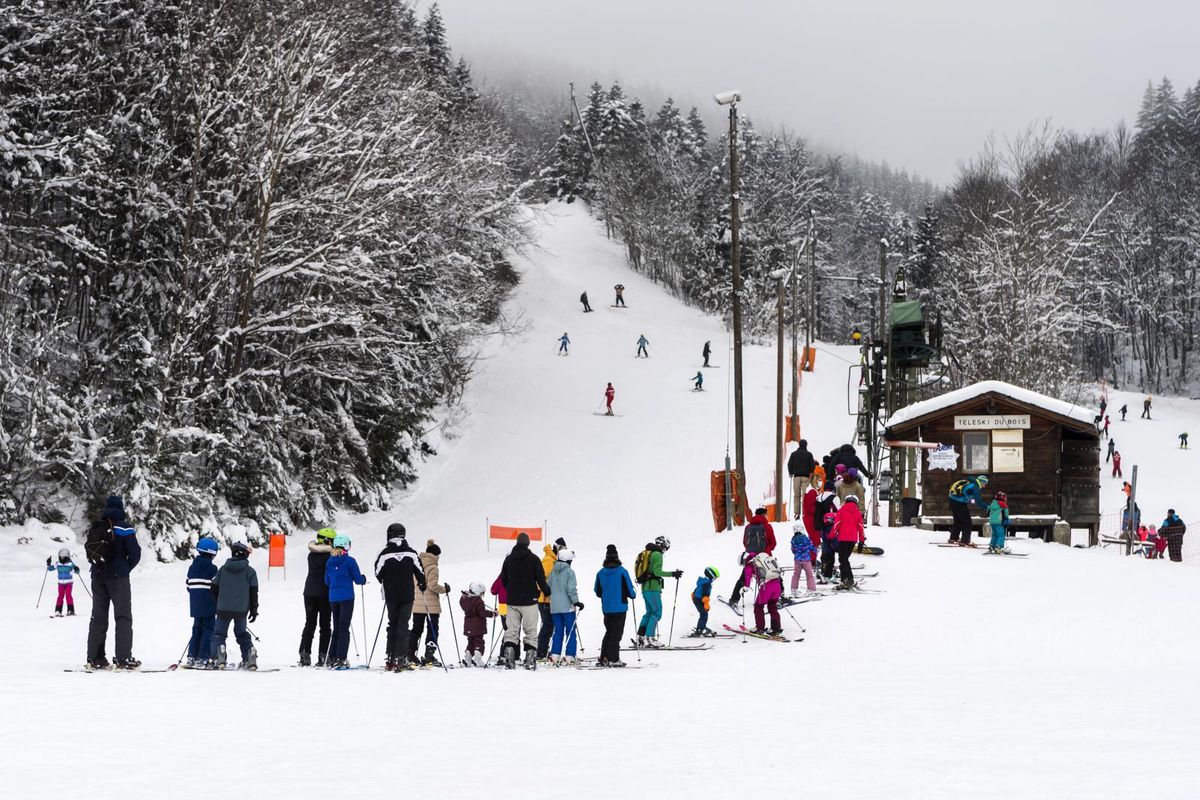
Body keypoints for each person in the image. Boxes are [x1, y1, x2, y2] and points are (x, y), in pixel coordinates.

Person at [85, 495, 142, 670]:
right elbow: (135, 554)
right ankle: (123, 658)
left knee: (98, 617)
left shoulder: (97, 526)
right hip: (118, 578)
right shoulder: (124, 527)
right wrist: (125, 568)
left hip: (97, 575)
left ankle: (95, 658)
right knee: (123, 617)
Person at [374, 523, 426, 672]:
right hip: (407, 594)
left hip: (391, 595)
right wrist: (422, 583)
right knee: (404, 624)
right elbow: (420, 571)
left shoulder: (384, 553)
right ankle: (401, 657)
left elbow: (378, 573)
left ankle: (390, 657)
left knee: (393, 624)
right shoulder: (411, 552)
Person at [499, 532, 551, 670]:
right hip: (530, 601)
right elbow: (540, 578)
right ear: (528, 544)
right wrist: (546, 591)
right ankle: (530, 659)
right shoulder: (534, 559)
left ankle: (509, 657)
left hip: (512, 601)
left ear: (517, 543)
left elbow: (503, 579)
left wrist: (511, 590)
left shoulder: (509, 559)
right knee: (530, 630)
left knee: (512, 630)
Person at [208, 541, 259, 670]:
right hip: (241, 610)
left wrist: (217, 602)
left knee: (219, 634)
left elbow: (213, 587)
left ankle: (218, 655)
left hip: (223, 609)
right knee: (241, 633)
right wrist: (254, 609)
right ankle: (249, 654)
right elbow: (254, 593)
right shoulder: (250, 572)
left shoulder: (223, 569)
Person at [324, 533, 366, 670]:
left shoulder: (329, 561)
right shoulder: (350, 561)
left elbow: (327, 581)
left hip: (333, 598)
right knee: (344, 628)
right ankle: (341, 658)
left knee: (336, 627)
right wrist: (363, 579)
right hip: (347, 598)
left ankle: (332, 656)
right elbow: (358, 579)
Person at [635, 535, 682, 647]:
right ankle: (650, 637)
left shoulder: (648, 553)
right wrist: (673, 574)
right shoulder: (657, 554)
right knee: (657, 612)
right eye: (666, 546)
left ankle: (641, 637)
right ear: (663, 545)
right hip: (653, 588)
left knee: (649, 612)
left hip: (645, 587)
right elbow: (657, 572)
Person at [594, 544, 636, 667]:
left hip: (607, 608)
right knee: (616, 634)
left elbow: (597, 591)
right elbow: (630, 591)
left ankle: (604, 657)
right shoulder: (622, 571)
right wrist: (633, 594)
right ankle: (613, 658)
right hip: (620, 607)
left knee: (609, 632)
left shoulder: (601, 573)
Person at [727, 508, 776, 609]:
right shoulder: (767, 526)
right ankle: (777, 599)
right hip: (765, 558)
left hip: (751, 557)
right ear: (764, 515)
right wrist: (766, 550)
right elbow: (773, 543)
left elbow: (745, 542)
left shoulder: (748, 527)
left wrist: (751, 551)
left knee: (744, 578)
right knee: (773, 577)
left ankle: (734, 600)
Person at [299, 528, 335, 667]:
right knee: (325, 626)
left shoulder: (311, 554)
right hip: (325, 594)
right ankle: (323, 655)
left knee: (310, 623)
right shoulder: (330, 556)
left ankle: (304, 653)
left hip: (309, 593)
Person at [411, 540, 449, 667]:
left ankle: (410, 652)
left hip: (417, 603)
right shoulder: (433, 567)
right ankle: (429, 655)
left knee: (416, 629)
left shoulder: (417, 563)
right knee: (432, 629)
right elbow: (432, 586)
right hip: (430, 604)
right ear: (435, 555)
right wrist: (444, 589)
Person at [184, 538, 219, 667]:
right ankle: (203, 657)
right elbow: (216, 587)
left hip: (195, 604)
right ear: (212, 553)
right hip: (209, 604)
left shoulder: (192, 567)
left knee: (196, 628)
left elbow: (188, 585)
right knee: (208, 629)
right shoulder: (212, 568)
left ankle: (191, 655)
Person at [547, 547, 583, 664]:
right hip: (568, 607)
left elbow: (548, 587)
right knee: (570, 631)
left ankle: (555, 655)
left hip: (555, 607)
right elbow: (571, 589)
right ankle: (569, 656)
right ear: (567, 560)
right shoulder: (569, 572)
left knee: (558, 631)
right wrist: (576, 602)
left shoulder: (552, 571)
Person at [743, 551, 784, 635]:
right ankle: (776, 629)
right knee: (772, 607)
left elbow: (747, 578)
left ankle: (759, 628)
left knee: (758, 606)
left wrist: (745, 588)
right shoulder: (763, 560)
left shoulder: (750, 565)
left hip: (767, 587)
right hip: (777, 584)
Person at [537, 538, 565, 660]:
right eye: (562, 549)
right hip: (544, 599)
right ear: (557, 548)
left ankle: (542, 650)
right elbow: (541, 578)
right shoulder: (549, 560)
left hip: (550, 599)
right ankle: (540, 652)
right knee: (548, 626)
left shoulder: (554, 559)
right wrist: (547, 591)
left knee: (549, 626)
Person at [831, 495, 865, 588]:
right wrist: (861, 541)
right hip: (852, 540)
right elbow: (861, 528)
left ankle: (848, 579)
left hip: (843, 538)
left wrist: (831, 536)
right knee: (844, 559)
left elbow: (836, 524)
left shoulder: (841, 511)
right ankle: (844, 579)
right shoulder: (858, 513)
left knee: (843, 559)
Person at [459, 583, 496, 667]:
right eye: (482, 593)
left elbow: (464, 602)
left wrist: (463, 595)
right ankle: (477, 659)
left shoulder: (465, 600)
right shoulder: (479, 601)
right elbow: (482, 613)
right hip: (478, 626)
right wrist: (492, 614)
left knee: (470, 641)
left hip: (468, 625)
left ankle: (467, 659)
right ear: (478, 592)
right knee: (479, 641)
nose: (482, 595)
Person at [948, 475, 988, 546]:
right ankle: (965, 541)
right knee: (967, 522)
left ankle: (954, 537)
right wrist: (987, 507)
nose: (984, 486)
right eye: (985, 484)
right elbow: (978, 502)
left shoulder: (970, 483)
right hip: (960, 503)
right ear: (981, 482)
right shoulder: (975, 487)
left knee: (958, 520)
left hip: (952, 499)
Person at [47, 548, 81, 617]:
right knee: (60, 596)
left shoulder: (70, 564)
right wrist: (48, 563)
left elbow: (77, 571)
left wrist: (77, 569)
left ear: (67, 557)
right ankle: (58, 611)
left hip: (69, 583)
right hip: (60, 583)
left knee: (68, 595)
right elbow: (50, 569)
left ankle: (70, 610)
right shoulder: (57, 563)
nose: (62, 558)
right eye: (61, 557)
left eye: (63, 557)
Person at [788, 439, 817, 516]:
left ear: (799, 445)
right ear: (806, 445)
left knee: (796, 495)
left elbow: (789, 464)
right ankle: (804, 511)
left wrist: (791, 473)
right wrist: (811, 471)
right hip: (806, 477)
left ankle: (797, 512)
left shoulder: (793, 454)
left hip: (796, 476)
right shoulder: (809, 454)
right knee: (805, 495)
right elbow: (812, 466)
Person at [789, 522, 816, 596]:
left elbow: (793, 550)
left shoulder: (793, 539)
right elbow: (811, 547)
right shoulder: (805, 538)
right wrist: (816, 550)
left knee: (796, 575)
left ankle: (793, 589)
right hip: (806, 560)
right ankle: (811, 589)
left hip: (797, 560)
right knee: (809, 575)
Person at [690, 567, 719, 637]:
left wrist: (694, 593)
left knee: (703, 614)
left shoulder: (703, 581)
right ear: (711, 576)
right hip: (700, 600)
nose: (714, 579)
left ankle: (701, 627)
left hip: (696, 599)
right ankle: (700, 630)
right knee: (704, 615)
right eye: (715, 578)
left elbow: (698, 587)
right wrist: (706, 604)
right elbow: (705, 595)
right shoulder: (707, 584)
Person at [818, 511, 839, 582]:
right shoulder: (830, 529)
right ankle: (826, 574)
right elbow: (833, 539)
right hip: (829, 549)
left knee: (825, 561)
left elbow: (822, 536)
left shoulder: (824, 528)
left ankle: (825, 573)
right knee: (829, 562)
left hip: (825, 548)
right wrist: (837, 547)